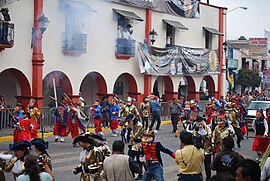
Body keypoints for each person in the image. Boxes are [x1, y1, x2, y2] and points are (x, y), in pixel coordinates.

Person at [124, 114, 145, 180]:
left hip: (138, 144)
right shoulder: (129, 125)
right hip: (131, 145)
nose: (128, 122)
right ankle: (131, 173)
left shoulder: (139, 125)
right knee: (129, 160)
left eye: (129, 121)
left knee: (140, 160)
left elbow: (135, 136)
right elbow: (127, 134)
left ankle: (141, 174)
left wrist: (130, 130)